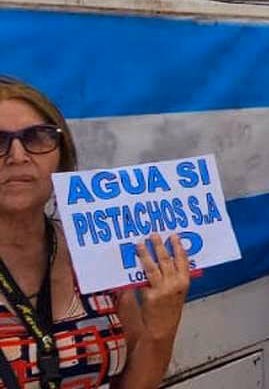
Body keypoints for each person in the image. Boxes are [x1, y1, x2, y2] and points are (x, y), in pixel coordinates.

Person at [0, 78, 190, 389]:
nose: (18, 155)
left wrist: (161, 331)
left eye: (37, 138)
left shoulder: (94, 252)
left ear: (61, 156)